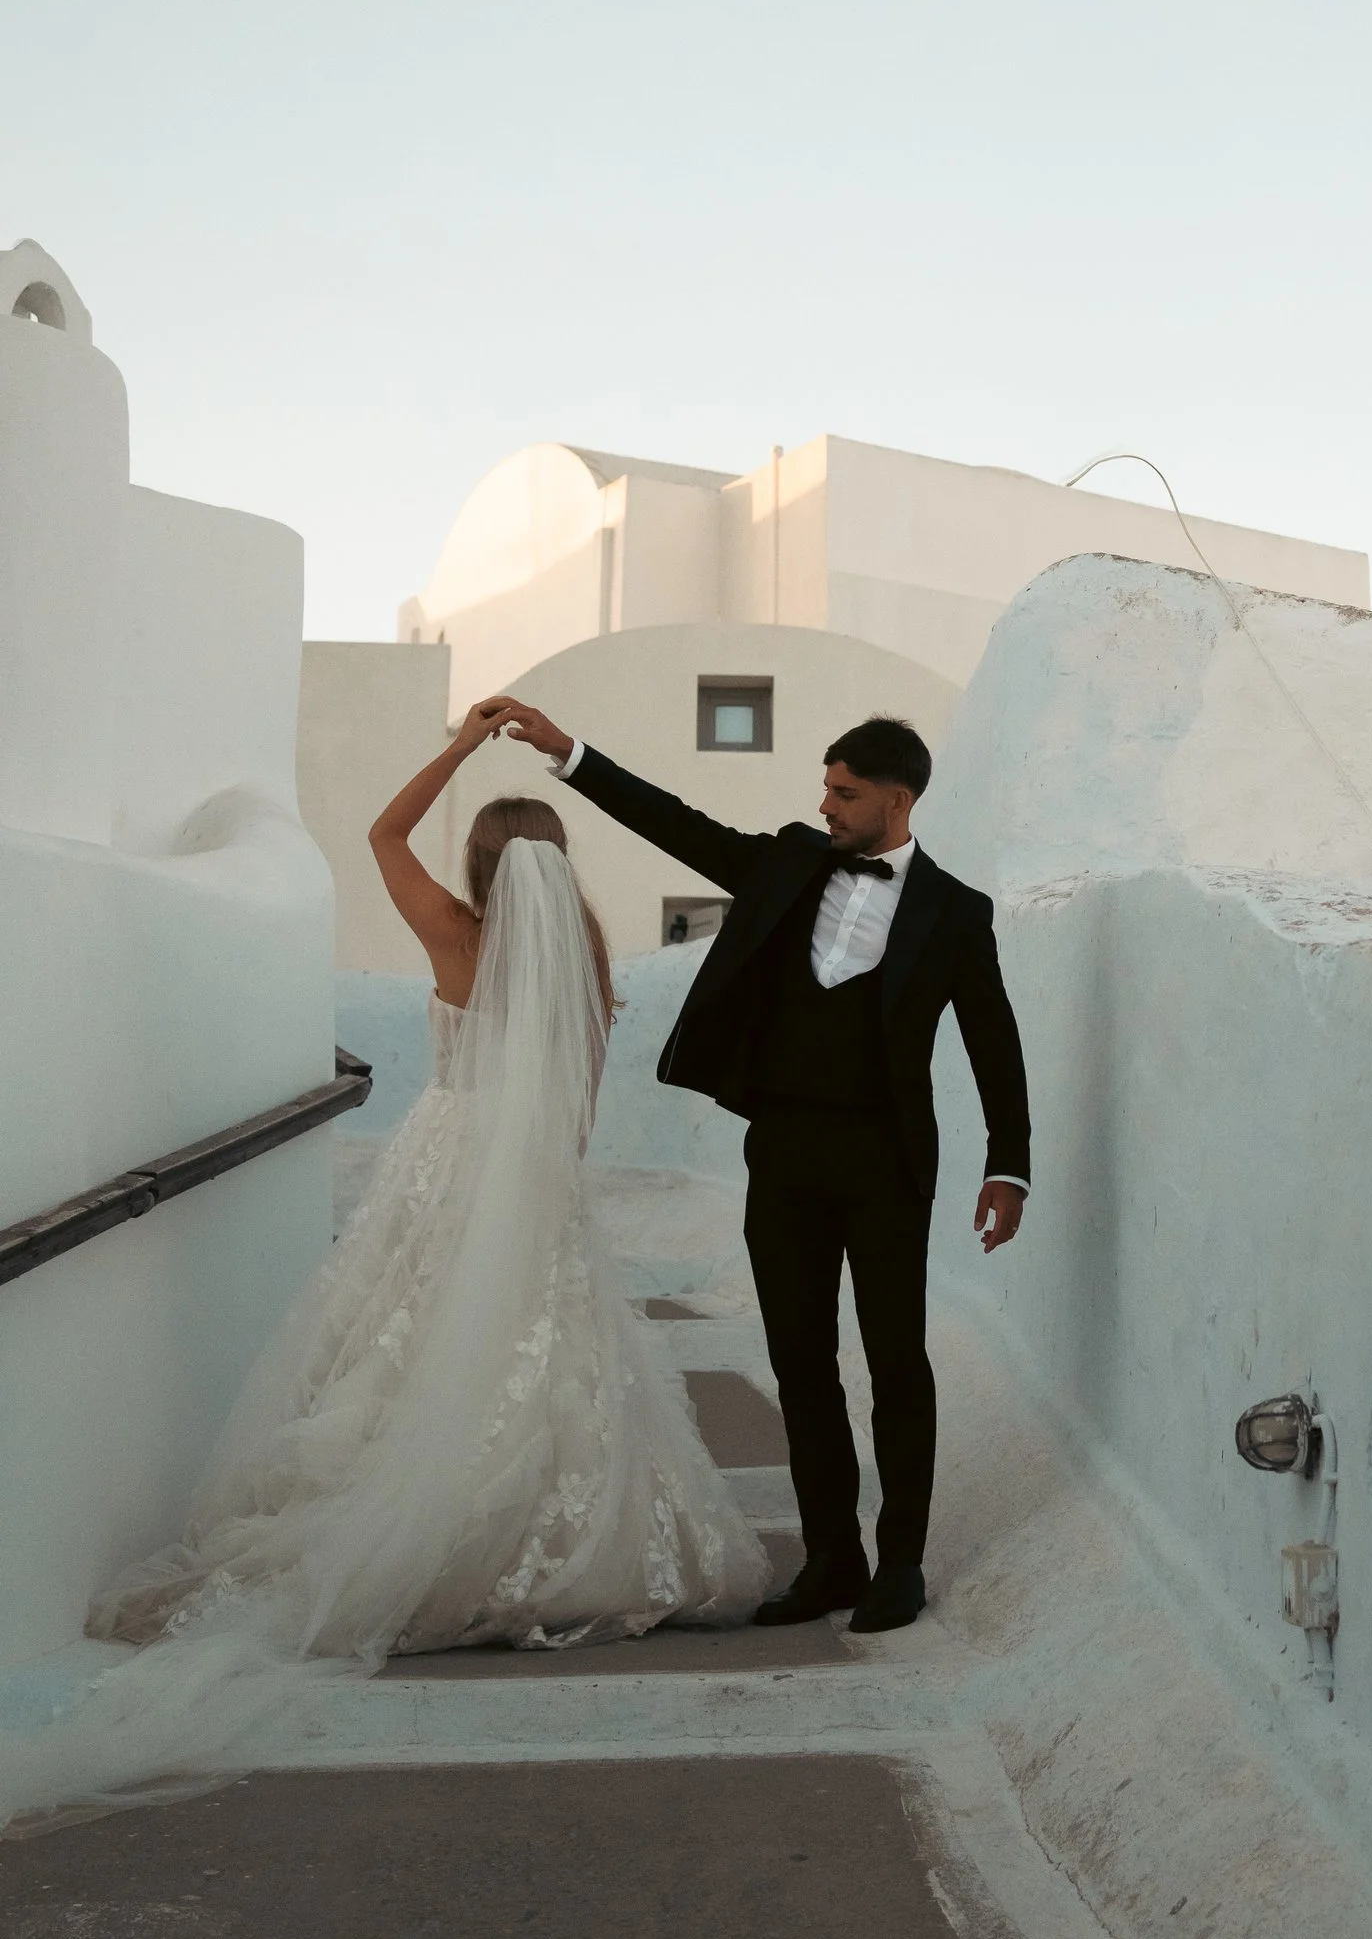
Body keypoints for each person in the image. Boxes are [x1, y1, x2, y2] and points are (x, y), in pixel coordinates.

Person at [89, 703, 767, 1663]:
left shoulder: (453, 933)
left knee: (408, 1332)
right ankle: (541, 1533)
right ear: (559, 864)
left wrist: (459, 746)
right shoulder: (585, 958)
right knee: (544, 1346)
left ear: (481, 868)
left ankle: (411, 1526)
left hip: (447, 1159)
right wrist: (549, 1185)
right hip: (536, 1171)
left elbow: (381, 834)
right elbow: (578, 1102)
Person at [485, 701, 1028, 1633]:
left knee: (897, 1360)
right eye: (824, 786)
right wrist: (568, 750)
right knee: (800, 1357)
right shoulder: (787, 862)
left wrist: (1006, 1167)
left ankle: (900, 1562)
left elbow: (993, 1040)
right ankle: (831, 1558)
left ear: (898, 801)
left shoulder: (957, 912)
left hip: (890, 1161)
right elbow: (676, 822)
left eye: (844, 792)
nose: (825, 803)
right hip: (784, 1150)